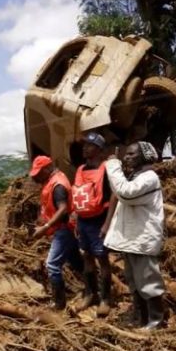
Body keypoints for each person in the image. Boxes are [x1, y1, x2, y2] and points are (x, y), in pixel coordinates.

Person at [104, 142, 166, 330]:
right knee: (135, 281)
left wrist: (113, 166)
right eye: (126, 154)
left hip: (142, 240)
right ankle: (140, 318)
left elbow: (126, 193)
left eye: (131, 154)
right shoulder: (136, 177)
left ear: (145, 156)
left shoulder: (149, 178)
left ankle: (156, 322)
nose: (126, 157)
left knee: (148, 281)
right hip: (133, 240)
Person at [71, 132, 118, 317]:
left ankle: (106, 298)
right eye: (84, 145)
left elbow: (115, 195)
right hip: (83, 221)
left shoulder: (106, 169)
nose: (84, 148)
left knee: (103, 259)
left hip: (100, 219)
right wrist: (75, 218)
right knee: (86, 257)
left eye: (89, 145)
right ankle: (90, 294)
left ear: (98, 149)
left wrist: (107, 224)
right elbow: (77, 195)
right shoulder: (81, 169)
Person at [30, 156, 84, 309]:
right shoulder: (52, 180)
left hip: (64, 229)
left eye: (38, 173)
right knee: (77, 262)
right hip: (66, 228)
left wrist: (45, 227)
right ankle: (94, 290)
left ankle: (59, 303)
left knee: (52, 265)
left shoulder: (58, 185)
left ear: (47, 168)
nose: (36, 177)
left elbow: (63, 209)